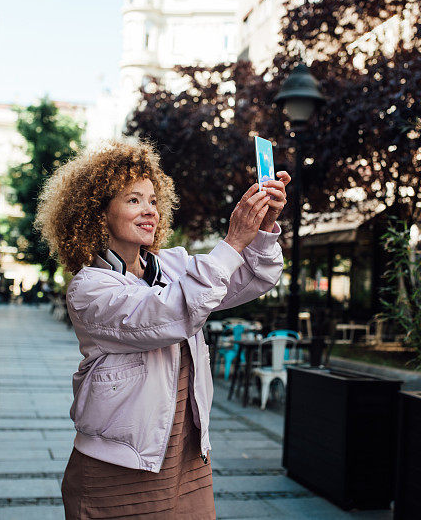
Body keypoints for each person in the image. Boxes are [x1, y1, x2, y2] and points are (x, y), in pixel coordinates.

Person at [34, 138, 290, 519]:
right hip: (119, 466)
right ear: (99, 213)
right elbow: (168, 315)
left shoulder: (173, 266)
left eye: (153, 200)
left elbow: (251, 278)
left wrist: (263, 229)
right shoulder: (89, 287)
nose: (149, 210)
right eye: (133, 200)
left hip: (186, 458)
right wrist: (232, 241)